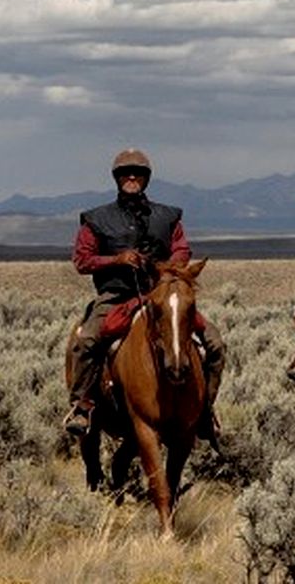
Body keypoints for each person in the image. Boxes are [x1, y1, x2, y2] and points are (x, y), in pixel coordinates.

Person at [63, 149, 227, 441]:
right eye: (125, 173)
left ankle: (205, 410)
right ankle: (83, 406)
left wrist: (166, 267)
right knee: (86, 341)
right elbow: (82, 260)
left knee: (214, 343)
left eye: (137, 173)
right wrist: (116, 260)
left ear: (146, 178)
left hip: (160, 297)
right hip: (115, 296)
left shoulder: (167, 216)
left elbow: (182, 249)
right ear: (116, 178)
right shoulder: (97, 219)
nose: (131, 177)